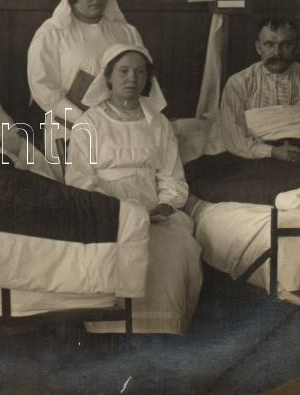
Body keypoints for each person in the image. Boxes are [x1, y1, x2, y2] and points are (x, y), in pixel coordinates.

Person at [66, 44, 202, 334]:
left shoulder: (159, 123)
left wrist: (165, 205)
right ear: (108, 77)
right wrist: (119, 211)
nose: (132, 78)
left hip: (154, 214)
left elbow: (172, 177)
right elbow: (80, 180)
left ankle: (164, 328)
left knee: (178, 248)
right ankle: (111, 330)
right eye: (124, 71)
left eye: (140, 72)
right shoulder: (89, 123)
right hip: (107, 212)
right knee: (115, 250)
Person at [27, 0, 142, 165]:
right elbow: (42, 88)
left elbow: (143, 79)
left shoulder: (126, 32)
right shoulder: (52, 35)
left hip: (122, 127)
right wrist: (85, 121)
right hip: (70, 128)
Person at [219, 18, 300, 164]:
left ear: (297, 47)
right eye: (269, 44)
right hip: (254, 157)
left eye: (286, 44)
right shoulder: (238, 83)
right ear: (258, 47)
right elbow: (233, 137)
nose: (277, 52)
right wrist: (272, 152)